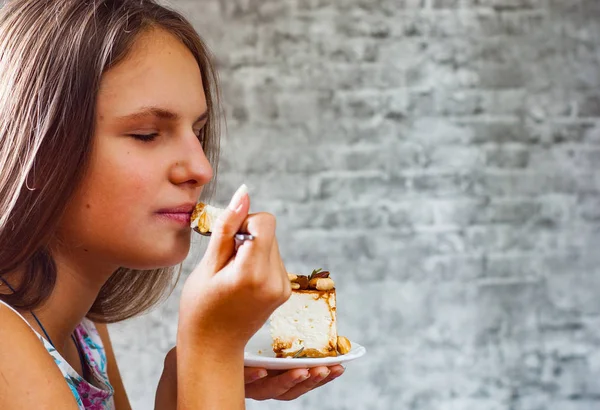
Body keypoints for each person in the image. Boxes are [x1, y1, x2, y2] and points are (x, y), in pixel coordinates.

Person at [0, 0, 344, 408]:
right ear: (35, 154)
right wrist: (211, 348)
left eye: (198, 131)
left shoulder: (81, 329)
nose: (201, 168)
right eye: (147, 134)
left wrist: (186, 375)